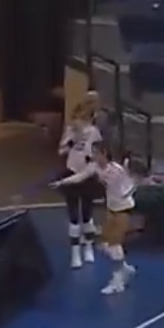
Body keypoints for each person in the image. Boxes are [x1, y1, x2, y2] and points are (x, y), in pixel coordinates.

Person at [53, 101, 104, 268]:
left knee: (87, 214)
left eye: (82, 119)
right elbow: (61, 151)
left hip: (87, 175)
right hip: (71, 171)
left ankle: (88, 247)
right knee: (73, 215)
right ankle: (75, 253)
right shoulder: (70, 131)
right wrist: (71, 141)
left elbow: (98, 152)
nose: (78, 122)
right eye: (77, 118)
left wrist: (93, 164)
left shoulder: (94, 133)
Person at [91, 143, 137, 295]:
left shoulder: (117, 170)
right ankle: (123, 267)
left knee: (114, 245)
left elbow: (131, 185)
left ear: (104, 153)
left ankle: (118, 282)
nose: (93, 156)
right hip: (111, 208)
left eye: (96, 153)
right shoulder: (97, 168)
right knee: (104, 244)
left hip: (123, 209)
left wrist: (123, 194)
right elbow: (83, 175)